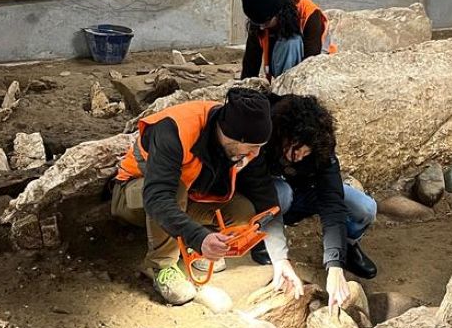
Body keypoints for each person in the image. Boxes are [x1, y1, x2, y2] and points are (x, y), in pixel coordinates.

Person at [112, 87, 308, 306]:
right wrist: (199, 238)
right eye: (252, 148)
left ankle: (191, 246)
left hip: (188, 197)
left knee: (243, 211)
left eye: (260, 147)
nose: (255, 154)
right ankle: (161, 266)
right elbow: (158, 198)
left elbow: (265, 197)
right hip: (135, 197)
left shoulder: (242, 142)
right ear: (233, 137)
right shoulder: (173, 130)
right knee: (174, 190)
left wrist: (281, 259)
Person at [250, 94, 379, 311]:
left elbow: (333, 203)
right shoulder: (265, 133)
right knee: (280, 194)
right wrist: (281, 256)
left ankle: (348, 245)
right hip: (274, 195)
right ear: (286, 134)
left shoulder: (321, 148)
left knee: (366, 209)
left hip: (308, 192)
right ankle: (264, 241)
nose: (299, 157)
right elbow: (261, 195)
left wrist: (335, 264)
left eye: (306, 153)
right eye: (297, 149)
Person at [240, 0, 337, 81]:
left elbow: (311, 64)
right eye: (258, 23)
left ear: (278, 12)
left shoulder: (309, 14)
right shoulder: (259, 22)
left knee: (291, 42)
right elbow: (250, 64)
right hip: (279, 78)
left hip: (317, 71)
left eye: (266, 22)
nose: (262, 27)